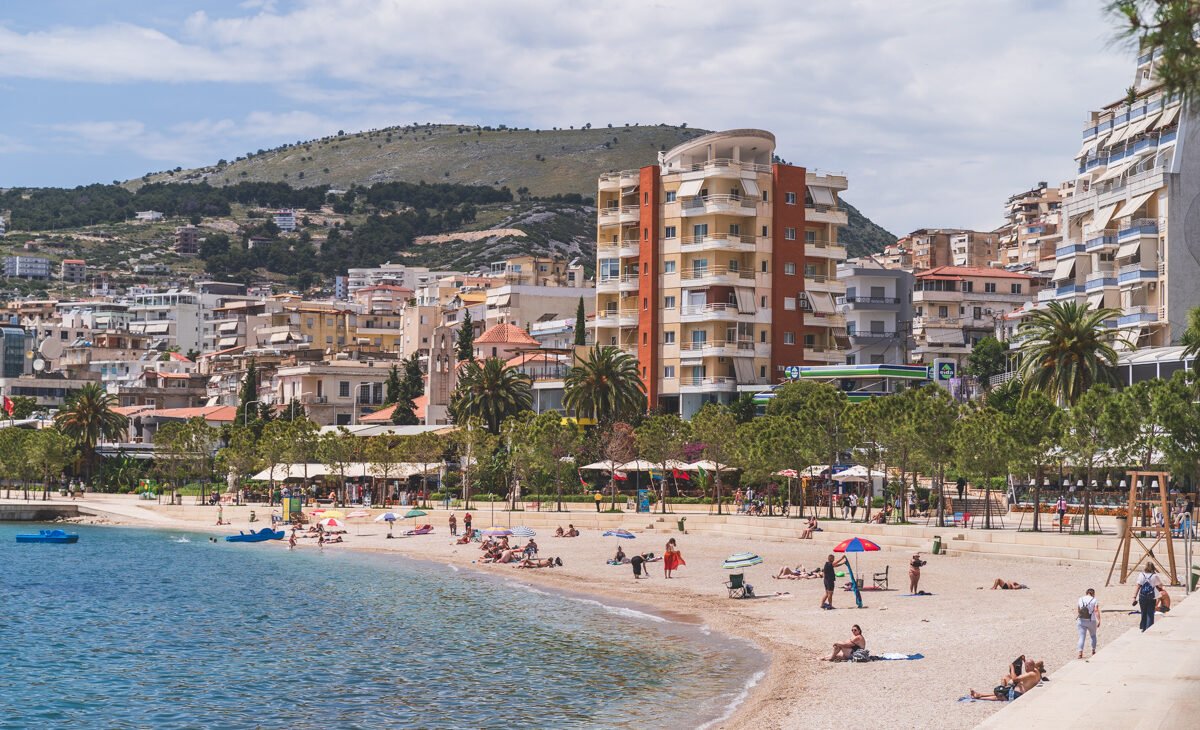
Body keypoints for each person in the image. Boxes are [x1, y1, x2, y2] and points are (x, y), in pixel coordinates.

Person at [969, 662, 1044, 701]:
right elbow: (1040, 662)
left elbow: (1015, 679)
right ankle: (980, 694)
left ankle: (979, 697)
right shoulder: (1036, 671)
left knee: (998, 697)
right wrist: (1024, 660)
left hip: (1016, 694)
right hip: (1015, 691)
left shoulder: (1030, 674)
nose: (1025, 668)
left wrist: (1012, 668)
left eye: (1026, 666)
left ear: (1029, 666)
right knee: (1003, 688)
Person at [1134, 562, 1163, 631]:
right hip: (1151, 597)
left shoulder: (1141, 575)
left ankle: (1143, 628)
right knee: (1150, 613)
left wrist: (1134, 597)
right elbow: (1160, 585)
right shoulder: (1154, 576)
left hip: (1142, 596)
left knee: (1143, 612)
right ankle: (1149, 628)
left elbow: (1138, 586)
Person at [1077, 588, 1100, 658]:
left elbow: (1078, 610)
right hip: (1091, 620)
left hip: (1081, 620)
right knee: (1093, 636)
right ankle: (1093, 651)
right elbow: (1096, 610)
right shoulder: (1094, 600)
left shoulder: (1080, 599)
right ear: (1093, 593)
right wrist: (1099, 620)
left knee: (1081, 637)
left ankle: (1080, 653)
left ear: (1086, 593)